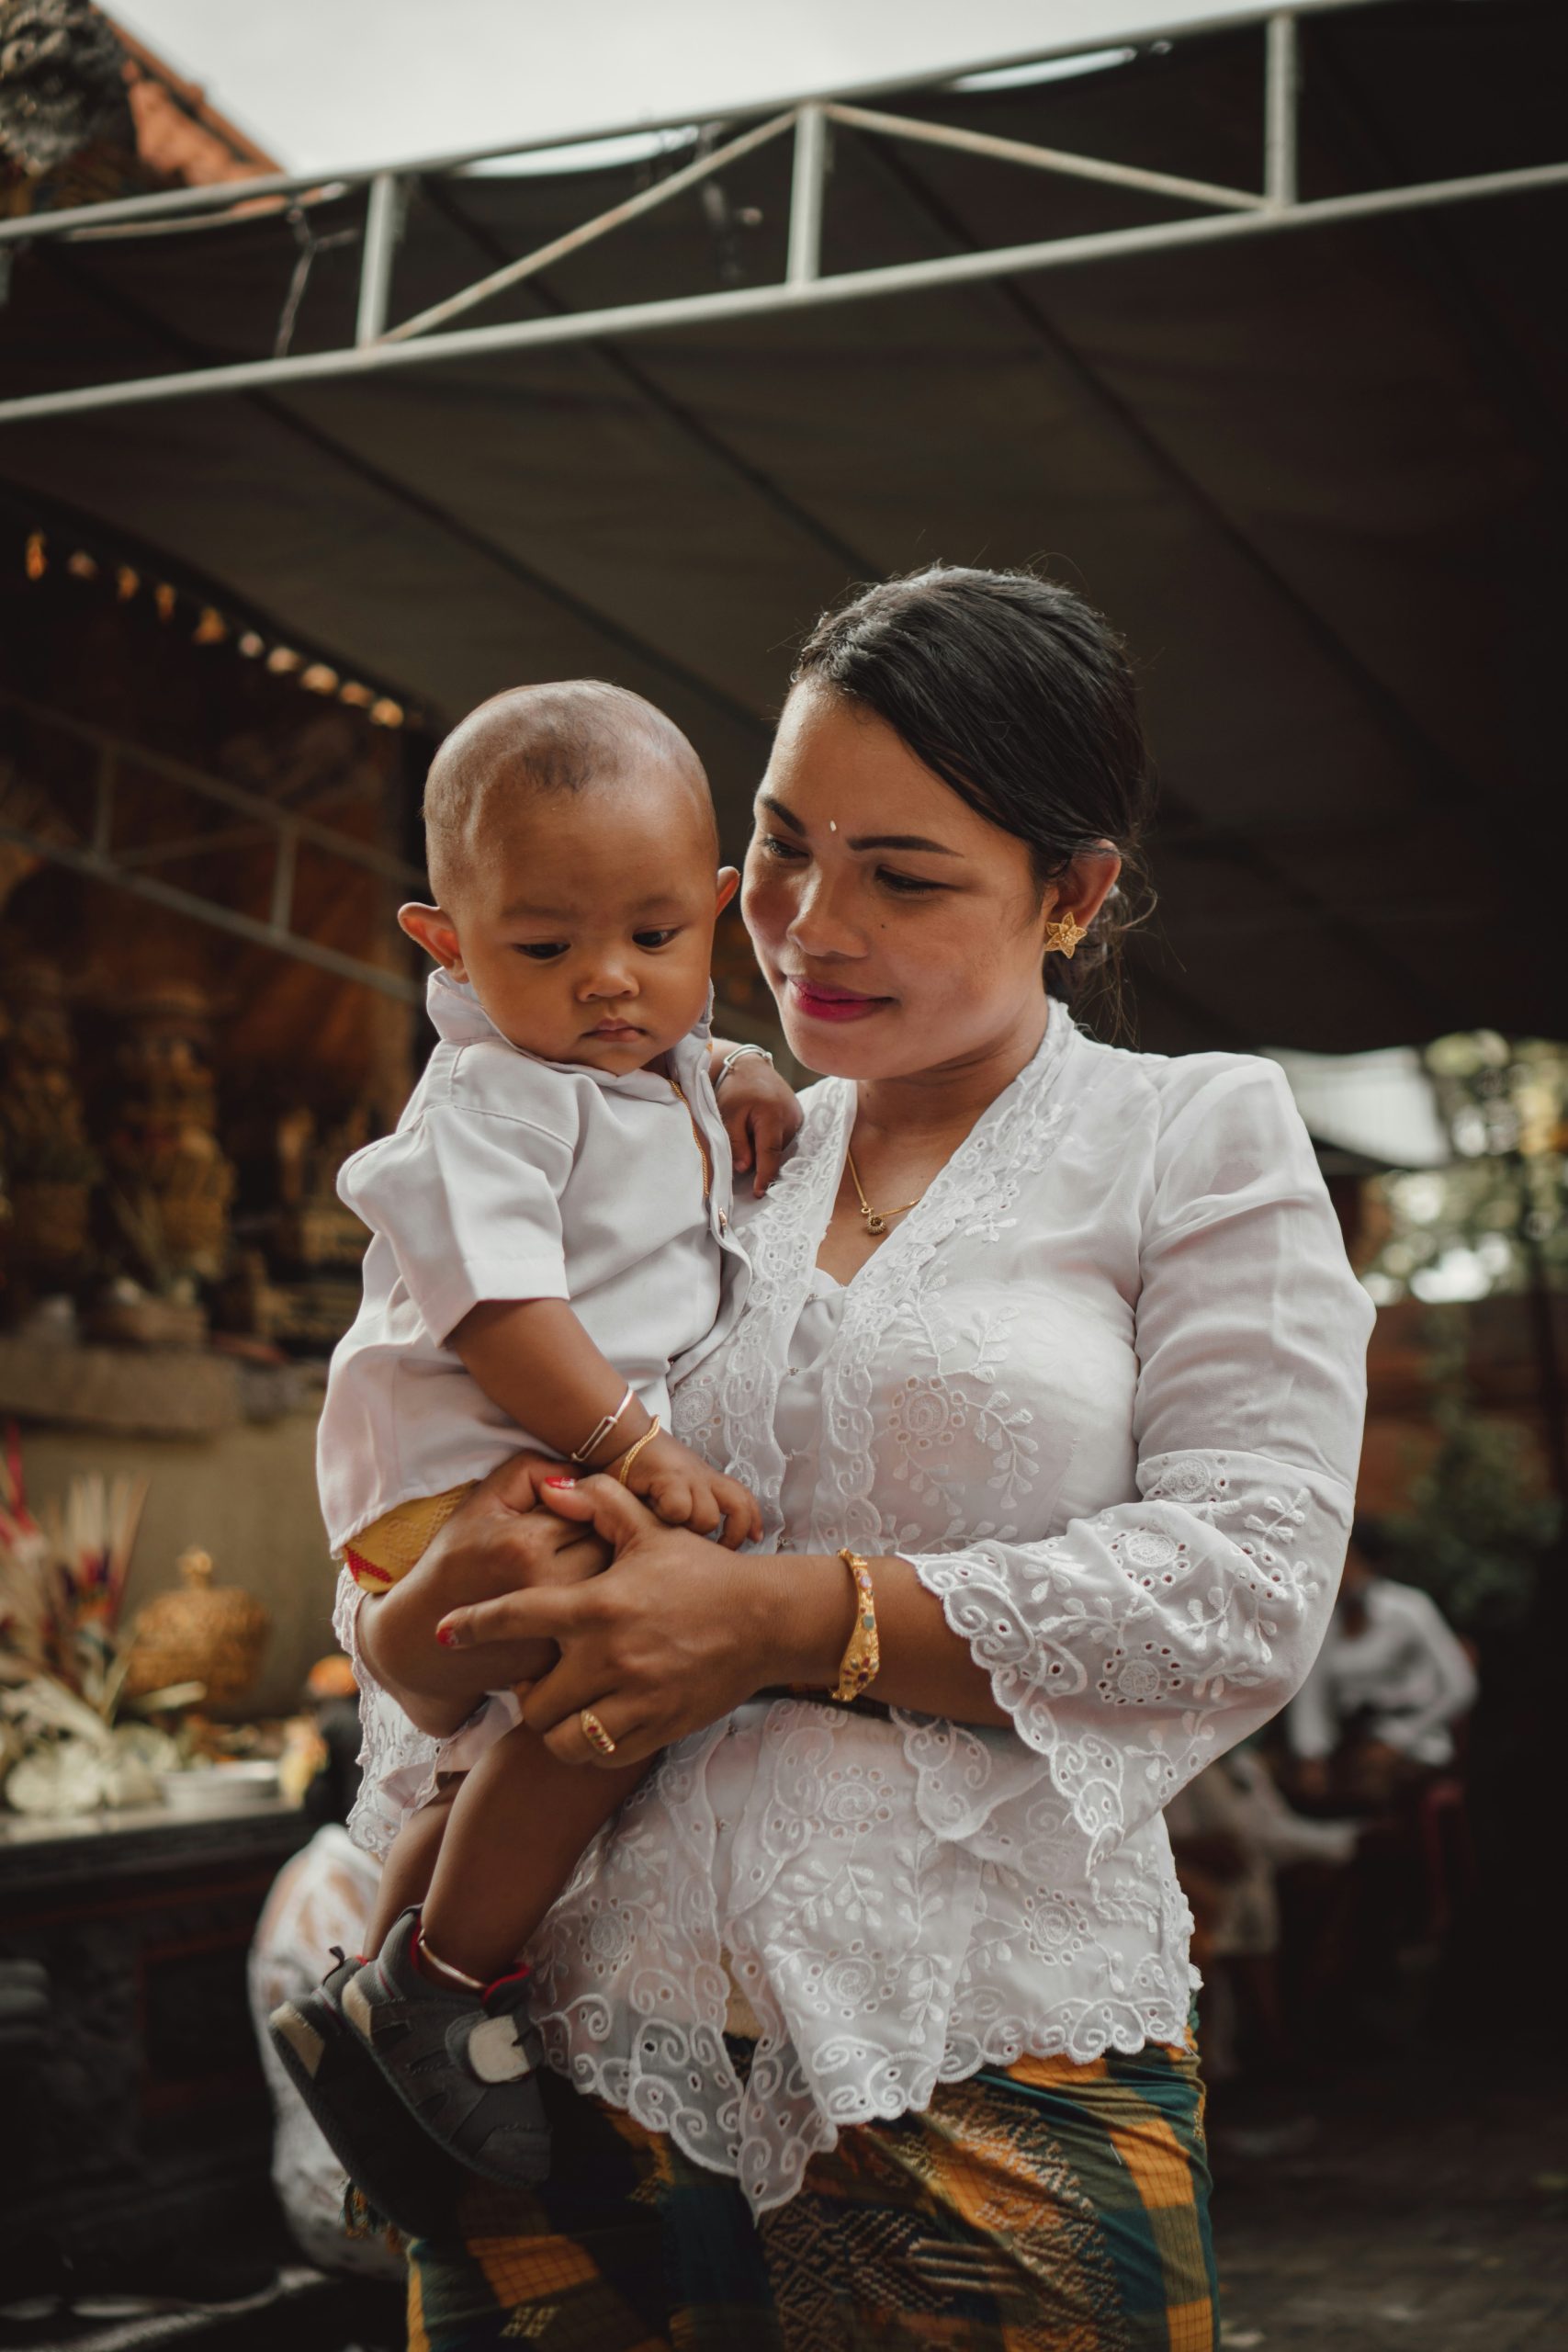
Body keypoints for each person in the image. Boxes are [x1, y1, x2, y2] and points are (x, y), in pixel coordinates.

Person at [338, 566, 1373, 2350]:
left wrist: (778, 1615)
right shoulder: (683, 1130)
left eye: (902, 875)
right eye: (783, 843)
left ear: (1073, 892)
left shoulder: (1183, 1136)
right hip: (562, 2074)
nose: (809, 921)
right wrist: (409, 1631)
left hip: (977, 2054)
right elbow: (447, 1454)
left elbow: (1241, 1588)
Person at [269, 683, 801, 2214]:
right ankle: (443, 1984)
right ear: (444, 942)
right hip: (470, 1472)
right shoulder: (490, 1101)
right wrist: (639, 1448)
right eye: (545, 947)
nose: (610, 984)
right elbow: (502, 1314)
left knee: (503, 1749)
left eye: (653, 935)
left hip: (543, 1467)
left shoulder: (665, 1062)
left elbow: (692, 1062)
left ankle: (374, 2002)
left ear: (714, 914)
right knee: (610, 1691)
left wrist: (743, 1066)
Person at [1286, 1518, 1477, 1810]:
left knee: (1372, 1787)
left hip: (1417, 1743)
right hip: (1352, 1744)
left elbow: (1460, 1685)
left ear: (1371, 1563)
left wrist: (1400, 1738)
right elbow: (1311, 1696)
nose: (1340, 1570)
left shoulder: (1410, 1610)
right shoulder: (1325, 1622)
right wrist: (1312, 1755)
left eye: (1349, 1560)